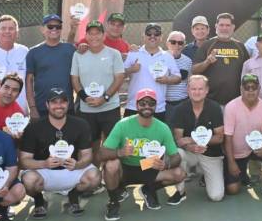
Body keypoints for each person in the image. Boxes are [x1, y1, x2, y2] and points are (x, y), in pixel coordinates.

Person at [100, 89, 186, 221]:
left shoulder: (163, 128)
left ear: (156, 106)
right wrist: (120, 152)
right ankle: (113, 202)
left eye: (151, 103)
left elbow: (176, 156)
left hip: (148, 166)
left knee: (179, 174)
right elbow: (102, 153)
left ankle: (149, 189)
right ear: (136, 105)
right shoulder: (122, 125)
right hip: (126, 167)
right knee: (111, 165)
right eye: (143, 103)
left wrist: (166, 164)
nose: (147, 106)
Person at [19, 88, 101, 218]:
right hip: (44, 171)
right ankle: (39, 200)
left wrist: (78, 164)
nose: (59, 106)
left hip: (71, 170)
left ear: (68, 104)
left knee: (94, 176)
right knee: (28, 180)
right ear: (47, 105)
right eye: (54, 102)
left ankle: (73, 196)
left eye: (62, 102)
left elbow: (87, 155)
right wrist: (44, 163)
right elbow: (24, 160)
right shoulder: (34, 127)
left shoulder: (81, 124)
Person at [70, 20, 126, 164]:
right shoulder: (78, 54)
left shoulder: (114, 54)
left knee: (110, 149)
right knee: (90, 148)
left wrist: (105, 97)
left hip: (110, 108)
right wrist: (84, 98)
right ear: (86, 36)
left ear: (103, 35)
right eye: (91, 33)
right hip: (87, 109)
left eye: (98, 33)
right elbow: (75, 79)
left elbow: (119, 78)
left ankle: (109, 175)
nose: (94, 37)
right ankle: (94, 174)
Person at [223, 74, 262, 199]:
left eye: (253, 87)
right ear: (241, 89)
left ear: (259, 89)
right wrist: (231, 162)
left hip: (257, 149)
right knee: (232, 189)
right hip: (237, 153)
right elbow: (227, 137)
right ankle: (242, 174)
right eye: (246, 87)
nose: (250, 91)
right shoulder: (231, 107)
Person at [172, 75, 226, 202]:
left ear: (207, 90)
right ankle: (180, 191)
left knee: (216, 196)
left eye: (200, 89)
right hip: (189, 153)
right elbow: (179, 140)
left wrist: (192, 140)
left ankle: (205, 175)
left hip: (210, 154)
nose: (197, 92)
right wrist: (189, 147)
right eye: (193, 89)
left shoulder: (215, 108)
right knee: (178, 154)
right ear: (188, 90)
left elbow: (219, 137)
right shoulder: (179, 109)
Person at [123, 23, 181, 121]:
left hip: (157, 108)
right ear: (144, 36)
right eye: (149, 34)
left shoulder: (167, 56)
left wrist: (167, 79)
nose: (152, 36)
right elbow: (121, 75)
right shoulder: (133, 54)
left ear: (161, 37)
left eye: (156, 34)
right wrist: (131, 69)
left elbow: (178, 78)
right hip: (134, 106)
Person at [25, 14, 77, 120]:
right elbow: (29, 81)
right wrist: (32, 108)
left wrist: (73, 31)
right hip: (42, 107)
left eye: (58, 27)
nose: (54, 29)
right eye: (50, 26)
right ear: (42, 29)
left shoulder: (70, 49)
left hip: (66, 106)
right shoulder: (33, 52)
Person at [192, 12, 250, 105]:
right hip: (211, 101)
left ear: (233, 27)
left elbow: (248, 72)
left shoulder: (240, 46)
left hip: (236, 101)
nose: (224, 28)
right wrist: (207, 62)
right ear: (216, 26)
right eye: (221, 25)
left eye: (227, 25)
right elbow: (194, 70)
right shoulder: (207, 45)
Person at [165, 30, 193, 127]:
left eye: (180, 43)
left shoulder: (188, 61)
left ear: (184, 45)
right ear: (167, 43)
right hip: (164, 104)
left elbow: (189, 82)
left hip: (182, 103)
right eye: (173, 42)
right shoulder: (159, 58)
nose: (177, 45)